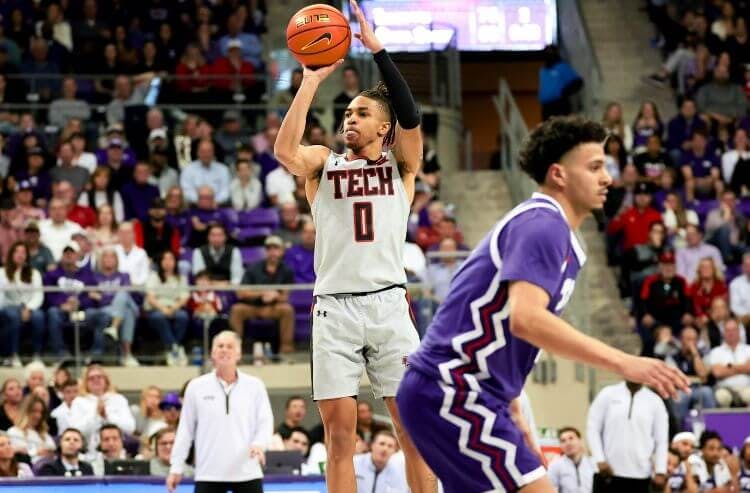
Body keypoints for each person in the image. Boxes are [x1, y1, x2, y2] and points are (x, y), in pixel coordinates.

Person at [396, 115, 690, 493]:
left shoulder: (555, 234)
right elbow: (526, 319)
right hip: (455, 390)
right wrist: (625, 362)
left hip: (462, 392)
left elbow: (505, 330)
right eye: (595, 167)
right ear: (559, 174)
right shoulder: (543, 225)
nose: (607, 179)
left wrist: (514, 408)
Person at [274, 1, 433, 490]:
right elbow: (284, 150)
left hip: (388, 305)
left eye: (361, 113)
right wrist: (310, 82)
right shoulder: (324, 163)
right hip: (335, 309)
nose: (350, 118)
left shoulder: (401, 167)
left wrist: (379, 51)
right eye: (347, 112)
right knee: (339, 438)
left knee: (414, 432)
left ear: (383, 128)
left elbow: (411, 114)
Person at [167, 331, 273, 493]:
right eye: (220, 346)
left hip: (248, 472)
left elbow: (265, 421)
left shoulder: (255, 386)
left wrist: (259, 443)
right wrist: (176, 466)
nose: (224, 350)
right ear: (212, 353)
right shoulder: (196, 387)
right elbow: (185, 430)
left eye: (230, 346)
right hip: (208, 473)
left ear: (239, 353)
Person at [587, 381, 669, 493]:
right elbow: (593, 428)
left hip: (640, 475)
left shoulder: (655, 401)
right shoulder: (607, 394)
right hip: (607, 473)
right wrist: (599, 459)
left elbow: (661, 440)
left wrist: (660, 470)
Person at [229, 235, 295, 355]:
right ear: (265, 251)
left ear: (281, 251)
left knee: (287, 310)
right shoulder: (253, 269)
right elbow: (241, 293)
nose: (272, 252)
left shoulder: (287, 271)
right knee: (236, 310)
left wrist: (275, 296)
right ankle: (235, 351)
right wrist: (261, 294)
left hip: (273, 307)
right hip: (253, 307)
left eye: (276, 248)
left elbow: (286, 296)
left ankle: (286, 350)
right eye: (269, 249)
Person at [68, 364, 135, 451]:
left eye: (99, 377)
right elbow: (75, 431)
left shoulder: (118, 399)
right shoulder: (79, 402)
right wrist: (96, 415)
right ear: (86, 383)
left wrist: (107, 416)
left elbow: (130, 428)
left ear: (106, 380)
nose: (96, 380)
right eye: (91, 378)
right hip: (89, 450)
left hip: (116, 450)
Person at [0, 241, 45, 367]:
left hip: (29, 306)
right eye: (17, 252)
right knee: (13, 316)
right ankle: (13, 354)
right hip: (7, 306)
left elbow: (38, 295)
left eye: (23, 252)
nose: (20, 255)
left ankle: (37, 354)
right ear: (11, 254)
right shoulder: (2, 273)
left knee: (39, 317)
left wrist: (29, 308)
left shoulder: (34, 273)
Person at [145, 250, 190, 367]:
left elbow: (184, 297)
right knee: (158, 317)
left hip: (175, 308)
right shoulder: (154, 276)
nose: (168, 262)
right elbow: (151, 297)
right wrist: (163, 308)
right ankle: (175, 348)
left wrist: (173, 308)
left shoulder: (181, 278)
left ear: (175, 262)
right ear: (160, 262)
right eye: (165, 259)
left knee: (183, 316)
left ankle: (173, 349)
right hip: (157, 309)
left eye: (171, 259)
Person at [708, 318, 750, 407]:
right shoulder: (716, 351)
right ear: (723, 333)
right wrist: (743, 367)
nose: (731, 333)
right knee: (722, 396)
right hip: (724, 389)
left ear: (739, 331)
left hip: (747, 387)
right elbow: (717, 373)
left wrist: (729, 366)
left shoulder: (748, 349)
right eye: (728, 330)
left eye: (734, 330)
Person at [6, 394, 55, 463]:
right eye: (34, 411)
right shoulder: (14, 432)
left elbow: (53, 449)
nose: (38, 416)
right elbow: (20, 455)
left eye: (41, 412)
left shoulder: (43, 433)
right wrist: (37, 452)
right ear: (25, 411)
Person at [547, 426, 596, 493]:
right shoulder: (555, 466)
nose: (568, 443)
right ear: (560, 445)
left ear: (580, 440)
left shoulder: (593, 463)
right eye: (563, 441)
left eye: (571, 438)